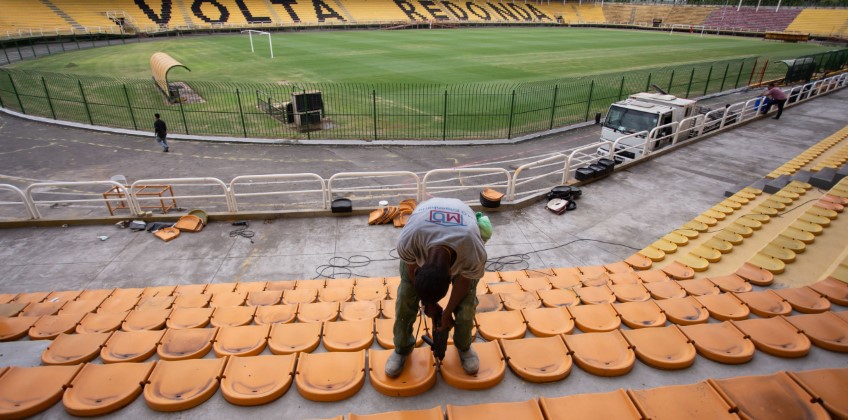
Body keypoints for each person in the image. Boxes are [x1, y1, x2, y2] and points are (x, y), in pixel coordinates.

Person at [386, 197, 488, 378]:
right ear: (419, 270)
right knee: (405, 299)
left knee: (466, 306)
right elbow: (411, 269)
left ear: (451, 276)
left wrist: (447, 313)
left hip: (462, 234)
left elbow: (464, 282)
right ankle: (401, 348)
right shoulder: (409, 240)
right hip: (422, 229)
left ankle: (464, 347)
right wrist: (429, 305)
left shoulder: (472, 249)